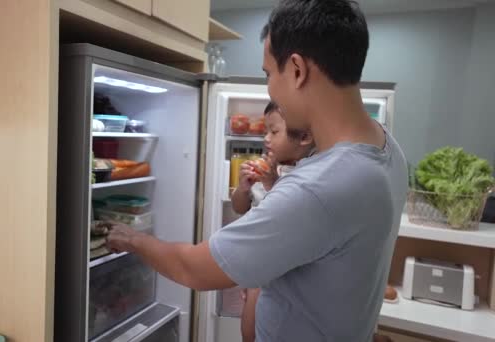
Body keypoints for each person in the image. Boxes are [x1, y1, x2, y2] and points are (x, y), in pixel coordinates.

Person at [107, 0, 408, 341]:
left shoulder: (318, 188)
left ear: (297, 69)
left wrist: (135, 239)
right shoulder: (387, 148)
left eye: (268, 74)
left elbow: (196, 269)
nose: (270, 89)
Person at [230, 102, 314, 342]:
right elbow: (240, 207)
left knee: (256, 326)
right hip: (257, 262)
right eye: (266, 131)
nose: (266, 138)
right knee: (249, 327)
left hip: (274, 268)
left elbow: (282, 212)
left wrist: (270, 183)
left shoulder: (301, 174)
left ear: (303, 137)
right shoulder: (267, 164)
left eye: (274, 132)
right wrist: (243, 188)